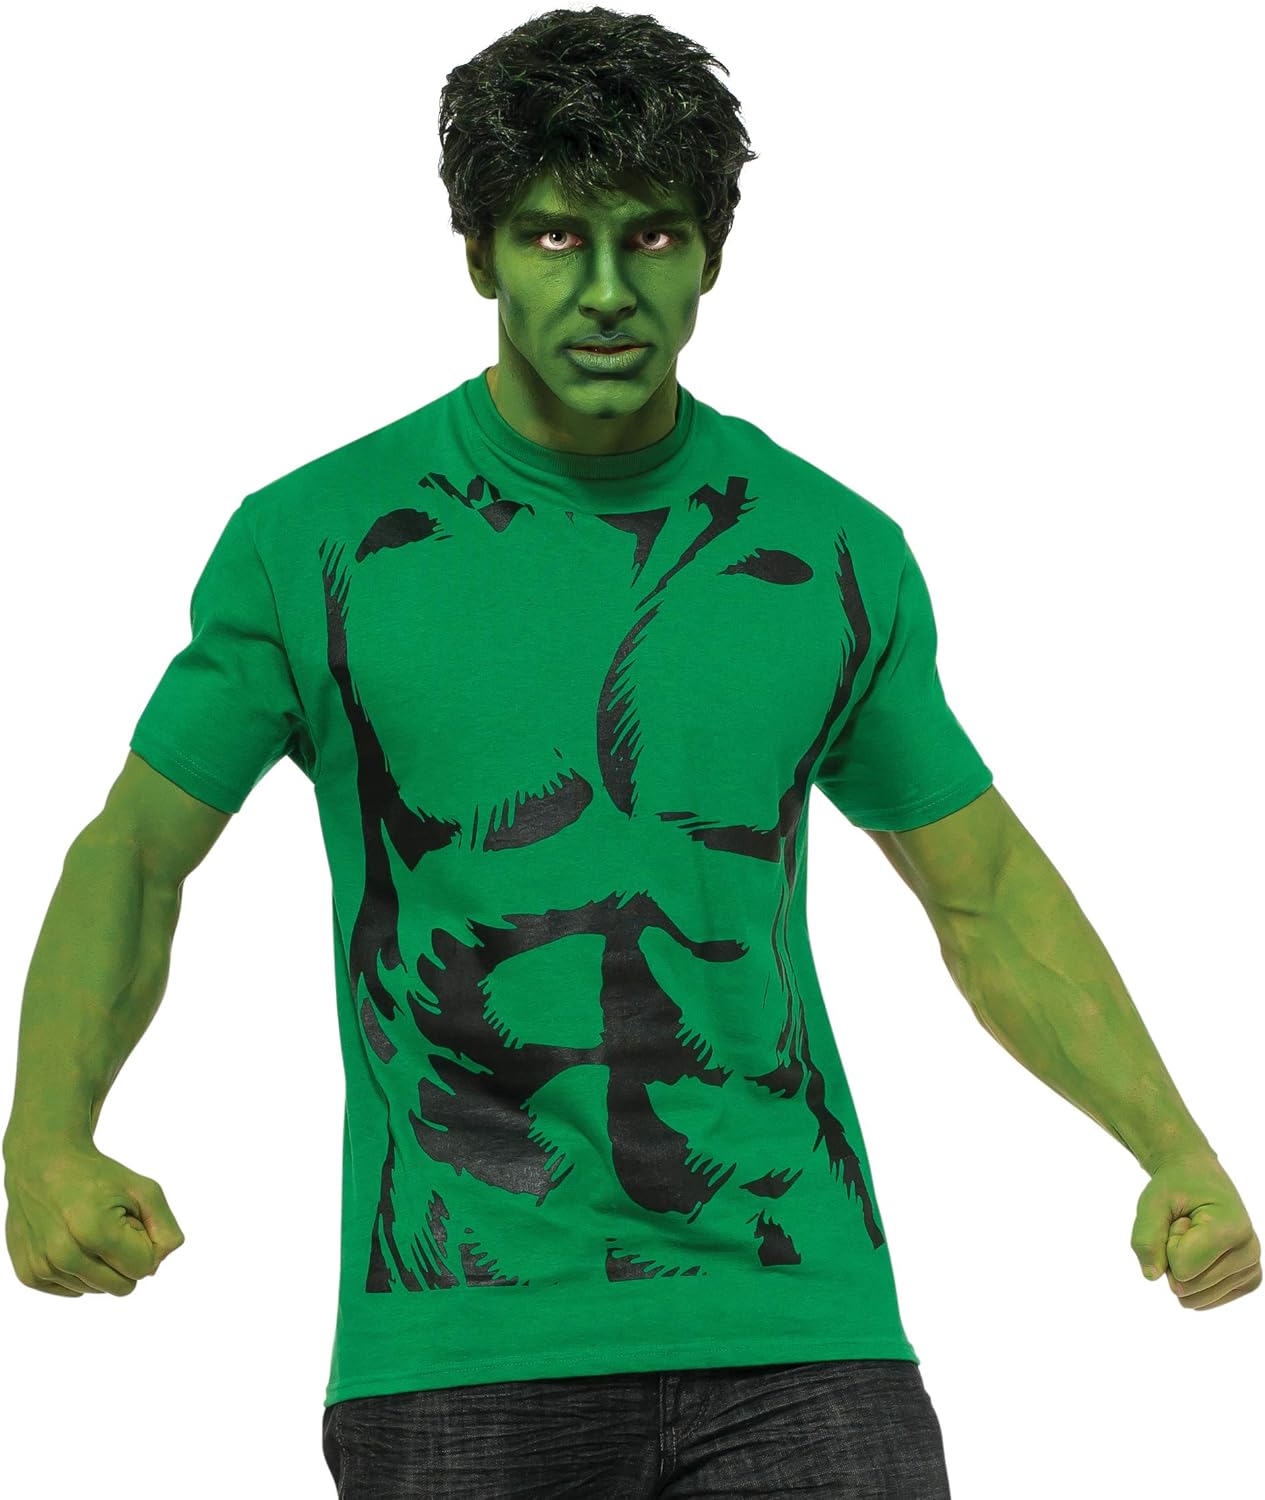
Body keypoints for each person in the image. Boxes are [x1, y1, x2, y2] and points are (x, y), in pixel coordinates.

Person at [4, 7, 1258, 1498]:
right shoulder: (319, 544)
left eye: (651, 236)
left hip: (797, 1322)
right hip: (461, 1340)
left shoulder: (825, 551)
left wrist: (1172, 1146)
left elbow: (979, 885)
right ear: (477, 253)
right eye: (553, 237)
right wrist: (45, 1136)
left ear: (710, 253)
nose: (605, 291)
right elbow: (137, 852)